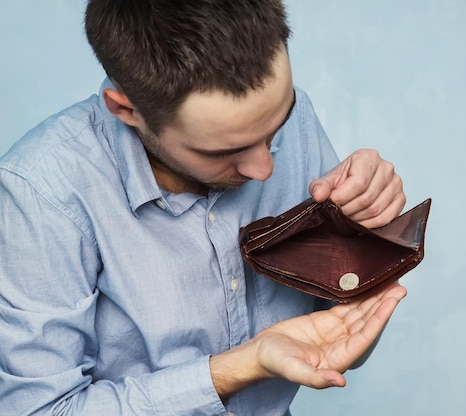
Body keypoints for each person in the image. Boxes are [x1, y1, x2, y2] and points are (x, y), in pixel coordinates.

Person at [0, 1, 408, 414]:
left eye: (276, 127)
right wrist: (238, 368)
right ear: (126, 109)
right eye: (225, 151)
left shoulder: (288, 112)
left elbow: (339, 344)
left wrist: (365, 230)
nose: (265, 168)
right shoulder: (42, 191)